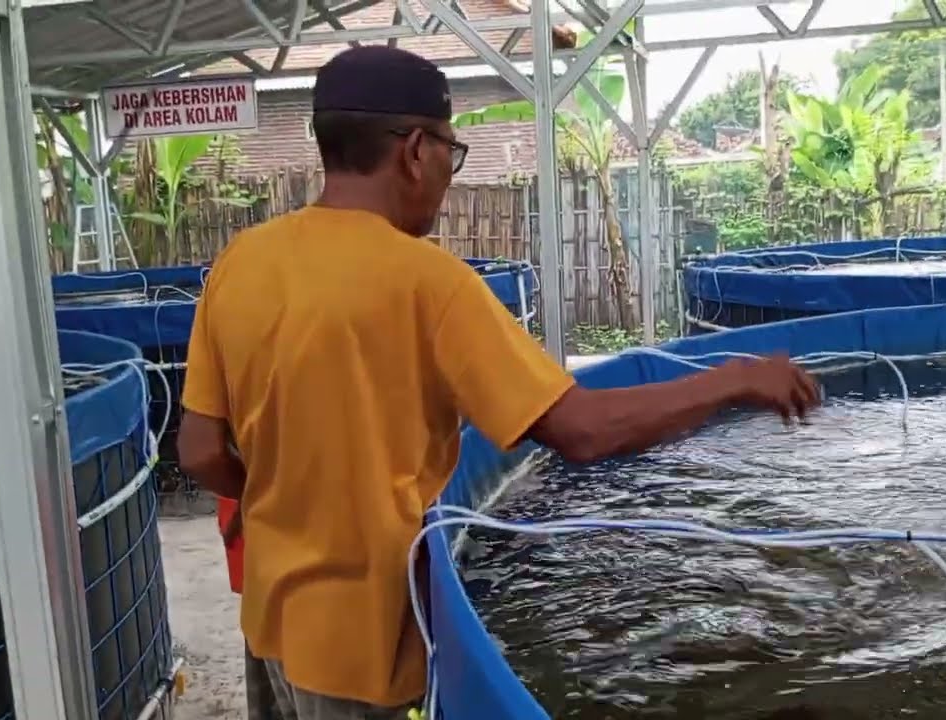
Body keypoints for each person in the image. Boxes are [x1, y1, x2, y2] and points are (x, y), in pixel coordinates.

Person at [177, 45, 820, 720]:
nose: (448, 178)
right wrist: (737, 379)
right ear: (415, 151)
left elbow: (200, 452)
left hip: (269, 625)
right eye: (453, 155)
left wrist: (292, 498)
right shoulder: (427, 283)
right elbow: (581, 429)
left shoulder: (239, 263)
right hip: (361, 650)